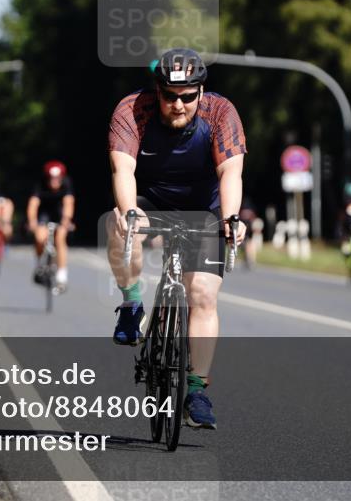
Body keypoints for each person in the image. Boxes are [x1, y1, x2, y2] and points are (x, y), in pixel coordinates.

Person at [106, 47, 247, 430]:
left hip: (204, 207)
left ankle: (197, 390)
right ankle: (132, 305)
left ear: (201, 91)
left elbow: (230, 173)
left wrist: (232, 218)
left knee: (201, 292)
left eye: (188, 96)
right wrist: (129, 211)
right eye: (170, 96)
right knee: (120, 224)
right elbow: (123, 169)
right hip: (151, 198)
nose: (178, 104)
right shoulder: (133, 110)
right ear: (157, 90)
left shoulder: (221, 113)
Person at [26, 160, 75, 293]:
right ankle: (39, 264)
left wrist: (66, 220)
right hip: (44, 213)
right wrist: (32, 221)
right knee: (40, 237)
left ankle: (61, 275)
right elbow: (33, 204)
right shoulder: (40, 184)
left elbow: (68, 203)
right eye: (51, 179)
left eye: (57, 179)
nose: (54, 182)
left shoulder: (66, 183)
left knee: (61, 237)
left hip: (59, 213)